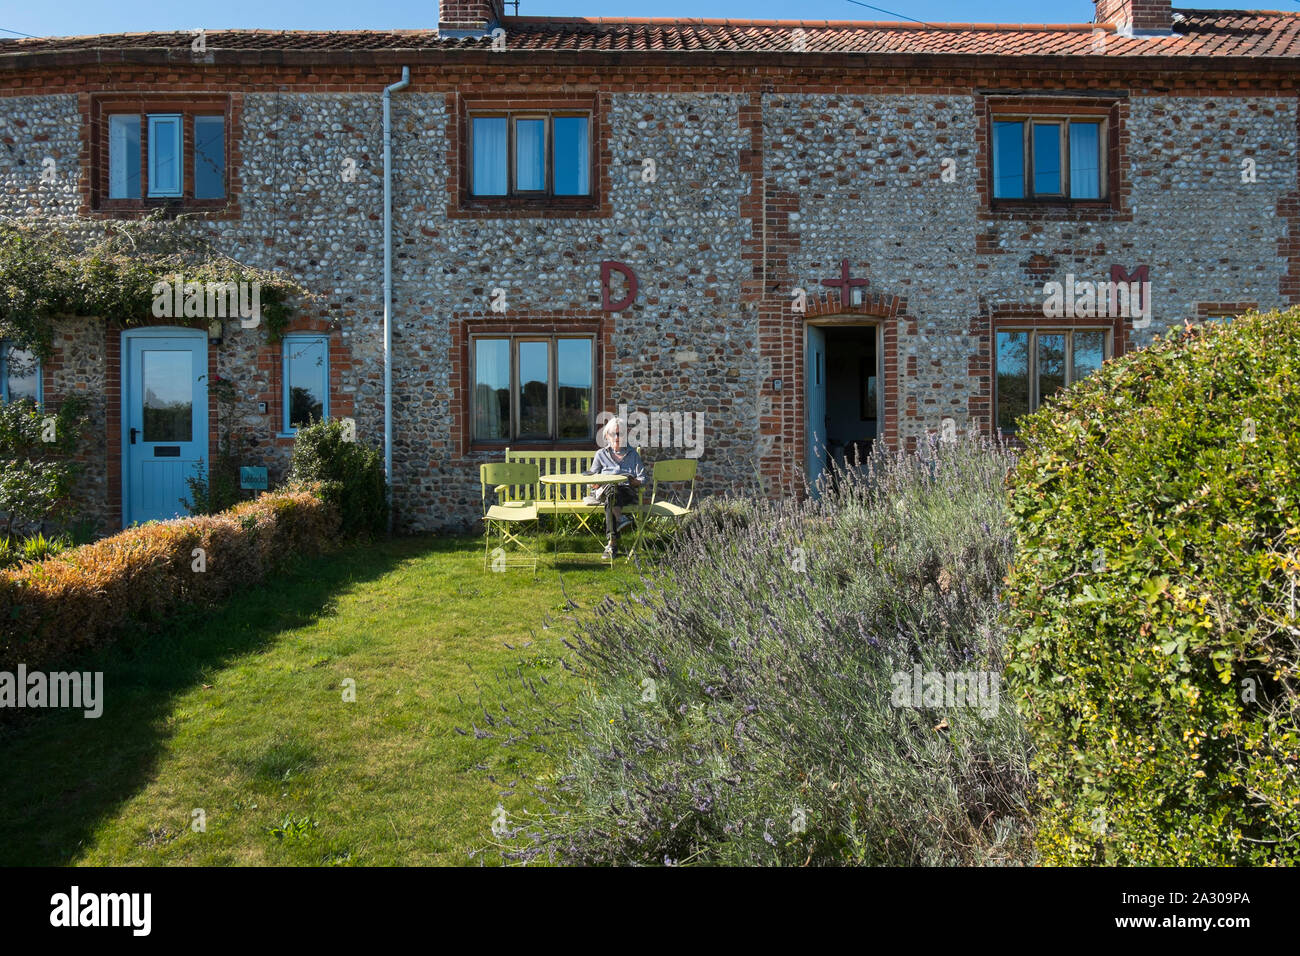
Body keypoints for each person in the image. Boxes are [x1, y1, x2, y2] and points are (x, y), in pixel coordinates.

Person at [585, 416, 648, 558]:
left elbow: (643, 478)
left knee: (613, 495)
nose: (617, 437)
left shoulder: (633, 454)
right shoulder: (601, 454)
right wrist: (594, 483)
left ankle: (612, 544)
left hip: (626, 491)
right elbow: (592, 478)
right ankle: (620, 519)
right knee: (611, 491)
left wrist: (633, 482)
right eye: (614, 434)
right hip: (606, 491)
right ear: (607, 436)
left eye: (621, 434)